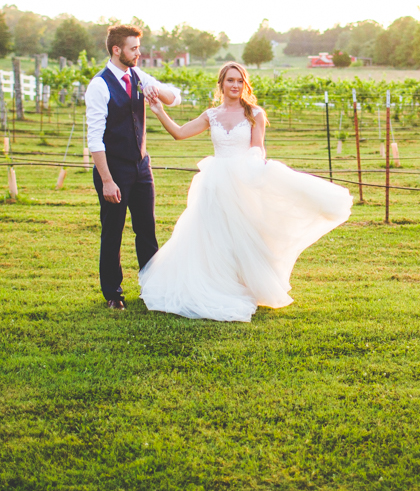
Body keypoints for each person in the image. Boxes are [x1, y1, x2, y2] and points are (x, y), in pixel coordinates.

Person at [141, 62, 352, 321]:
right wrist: (158, 110)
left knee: (242, 237)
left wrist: (255, 167)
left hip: (243, 180)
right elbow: (179, 133)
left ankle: (241, 286)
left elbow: (257, 147)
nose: (235, 85)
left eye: (240, 81)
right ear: (221, 84)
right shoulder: (211, 115)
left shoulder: (254, 113)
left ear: (245, 84)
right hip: (215, 182)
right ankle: (215, 285)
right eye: (230, 80)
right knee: (213, 237)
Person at [84, 24, 183, 311]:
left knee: (147, 228)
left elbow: (175, 97)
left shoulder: (138, 75)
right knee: (112, 230)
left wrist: (157, 89)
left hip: (141, 166)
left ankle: (152, 287)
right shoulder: (99, 85)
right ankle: (113, 294)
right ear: (117, 50)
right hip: (113, 169)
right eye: (133, 48)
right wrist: (106, 180)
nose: (139, 53)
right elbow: (95, 138)